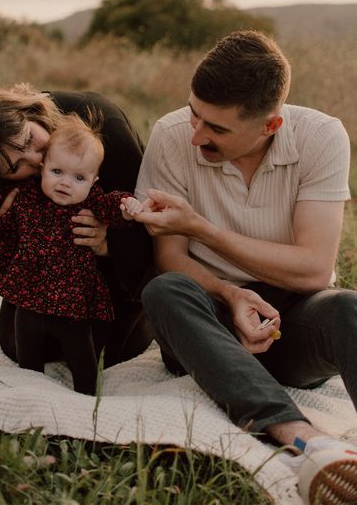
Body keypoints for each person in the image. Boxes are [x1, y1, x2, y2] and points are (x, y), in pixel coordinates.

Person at [133, 31, 357, 504]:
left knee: (348, 308)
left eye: (215, 129)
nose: (196, 135)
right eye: (194, 113)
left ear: (269, 126)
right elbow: (170, 257)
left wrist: (203, 229)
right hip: (206, 321)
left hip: (291, 322)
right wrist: (231, 295)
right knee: (164, 290)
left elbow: (314, 271)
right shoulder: (172, 136)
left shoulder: (322, 137)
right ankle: (302, 438)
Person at [0, 84, 154, 377]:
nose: (36, 159)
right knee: (15, 343)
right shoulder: (0, 168)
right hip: (47, 270)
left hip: (116, 267)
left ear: (27, 112)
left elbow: (150, 229)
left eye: (29, 140)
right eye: (15, 167)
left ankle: (148, 316)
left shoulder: (105, 128)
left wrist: (108, 242)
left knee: (103, 352)